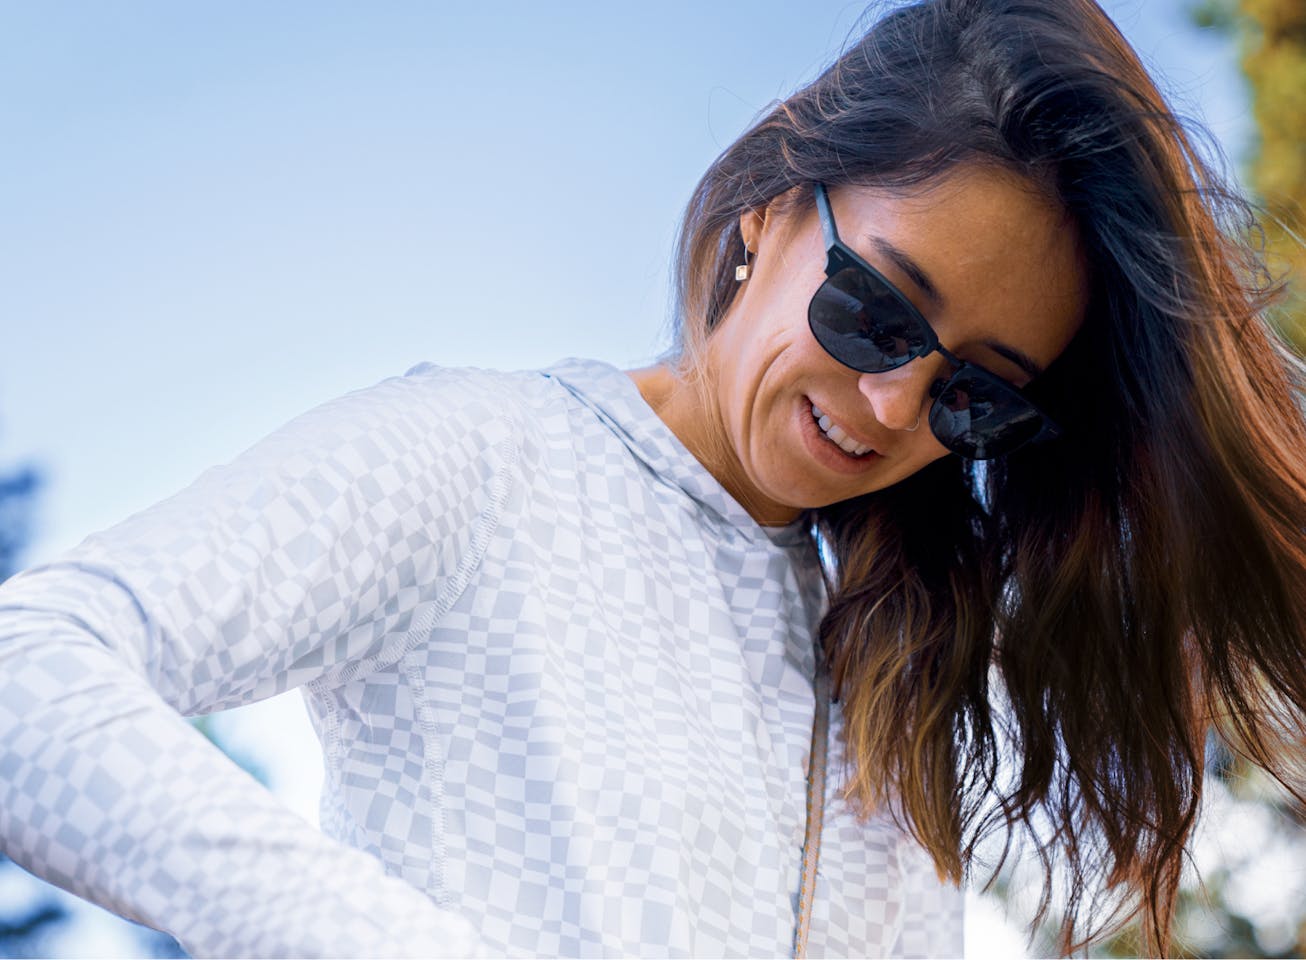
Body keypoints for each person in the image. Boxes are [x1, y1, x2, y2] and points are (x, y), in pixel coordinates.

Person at [2, 0, 1304, 956]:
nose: (892, 405)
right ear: (772, 207)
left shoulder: (893, 678)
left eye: (973, 394)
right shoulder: (482, 461)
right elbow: (29, 677)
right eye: (875, 312)